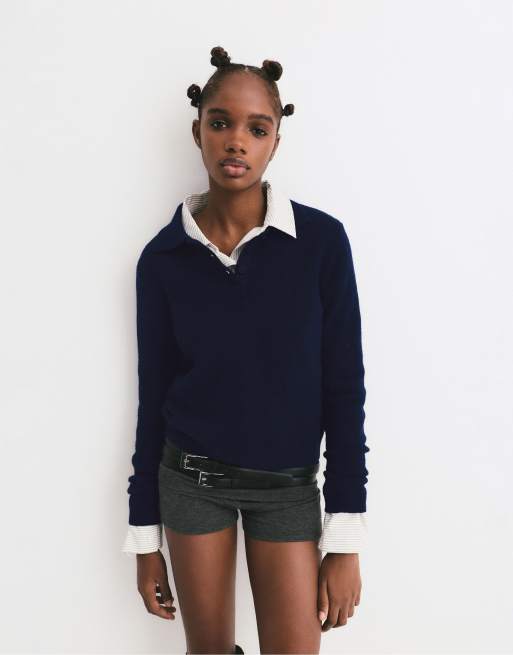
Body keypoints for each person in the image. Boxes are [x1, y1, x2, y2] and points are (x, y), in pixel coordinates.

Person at [121, 45, 370, 655]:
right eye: (221, 122)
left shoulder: (320, 244)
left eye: (257, 129)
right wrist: (145, 536)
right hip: (191, 482)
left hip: (287, 489)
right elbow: (152, 399)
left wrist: (344, 538)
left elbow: (344, 390)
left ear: (275, 142)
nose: (237, 141)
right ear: (198, 131)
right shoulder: (163, 259)